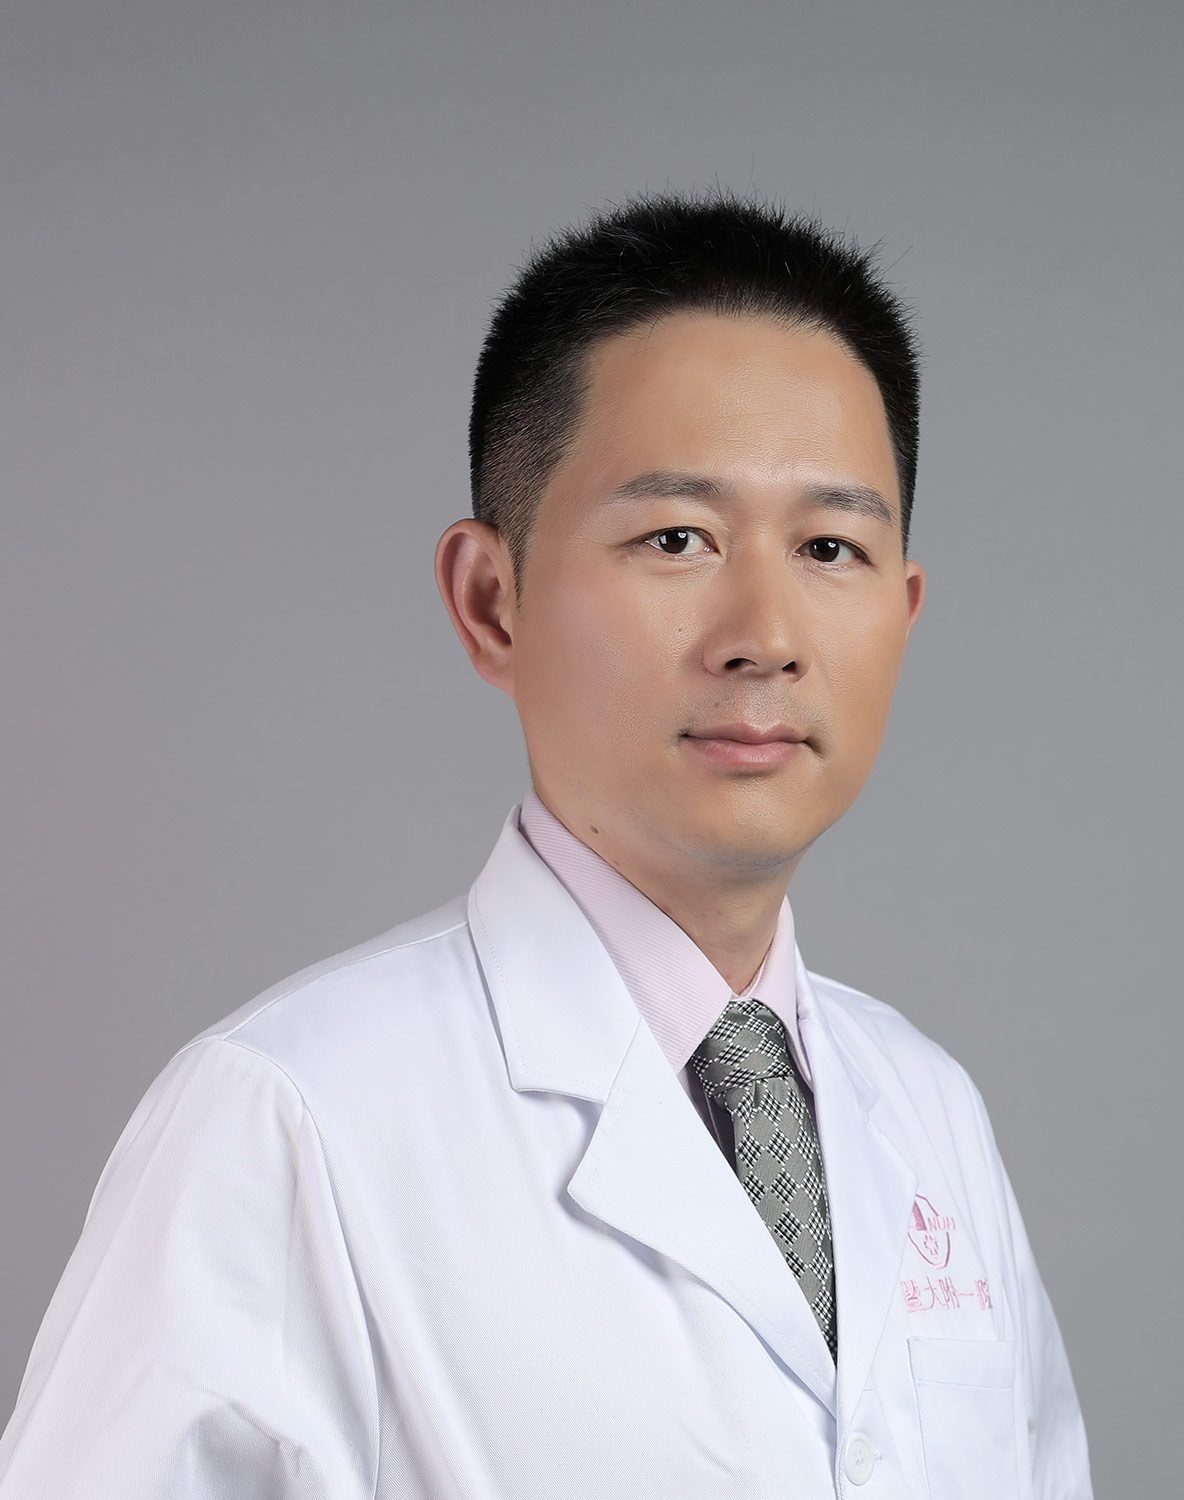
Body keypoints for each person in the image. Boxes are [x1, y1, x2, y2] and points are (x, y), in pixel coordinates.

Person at [0, 192, 1093, 1498]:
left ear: (904, 611)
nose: (765, 635)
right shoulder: (289, 1120)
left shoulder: (928, 1109)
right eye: (676, 538)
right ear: (491, 601)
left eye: (830, 546)